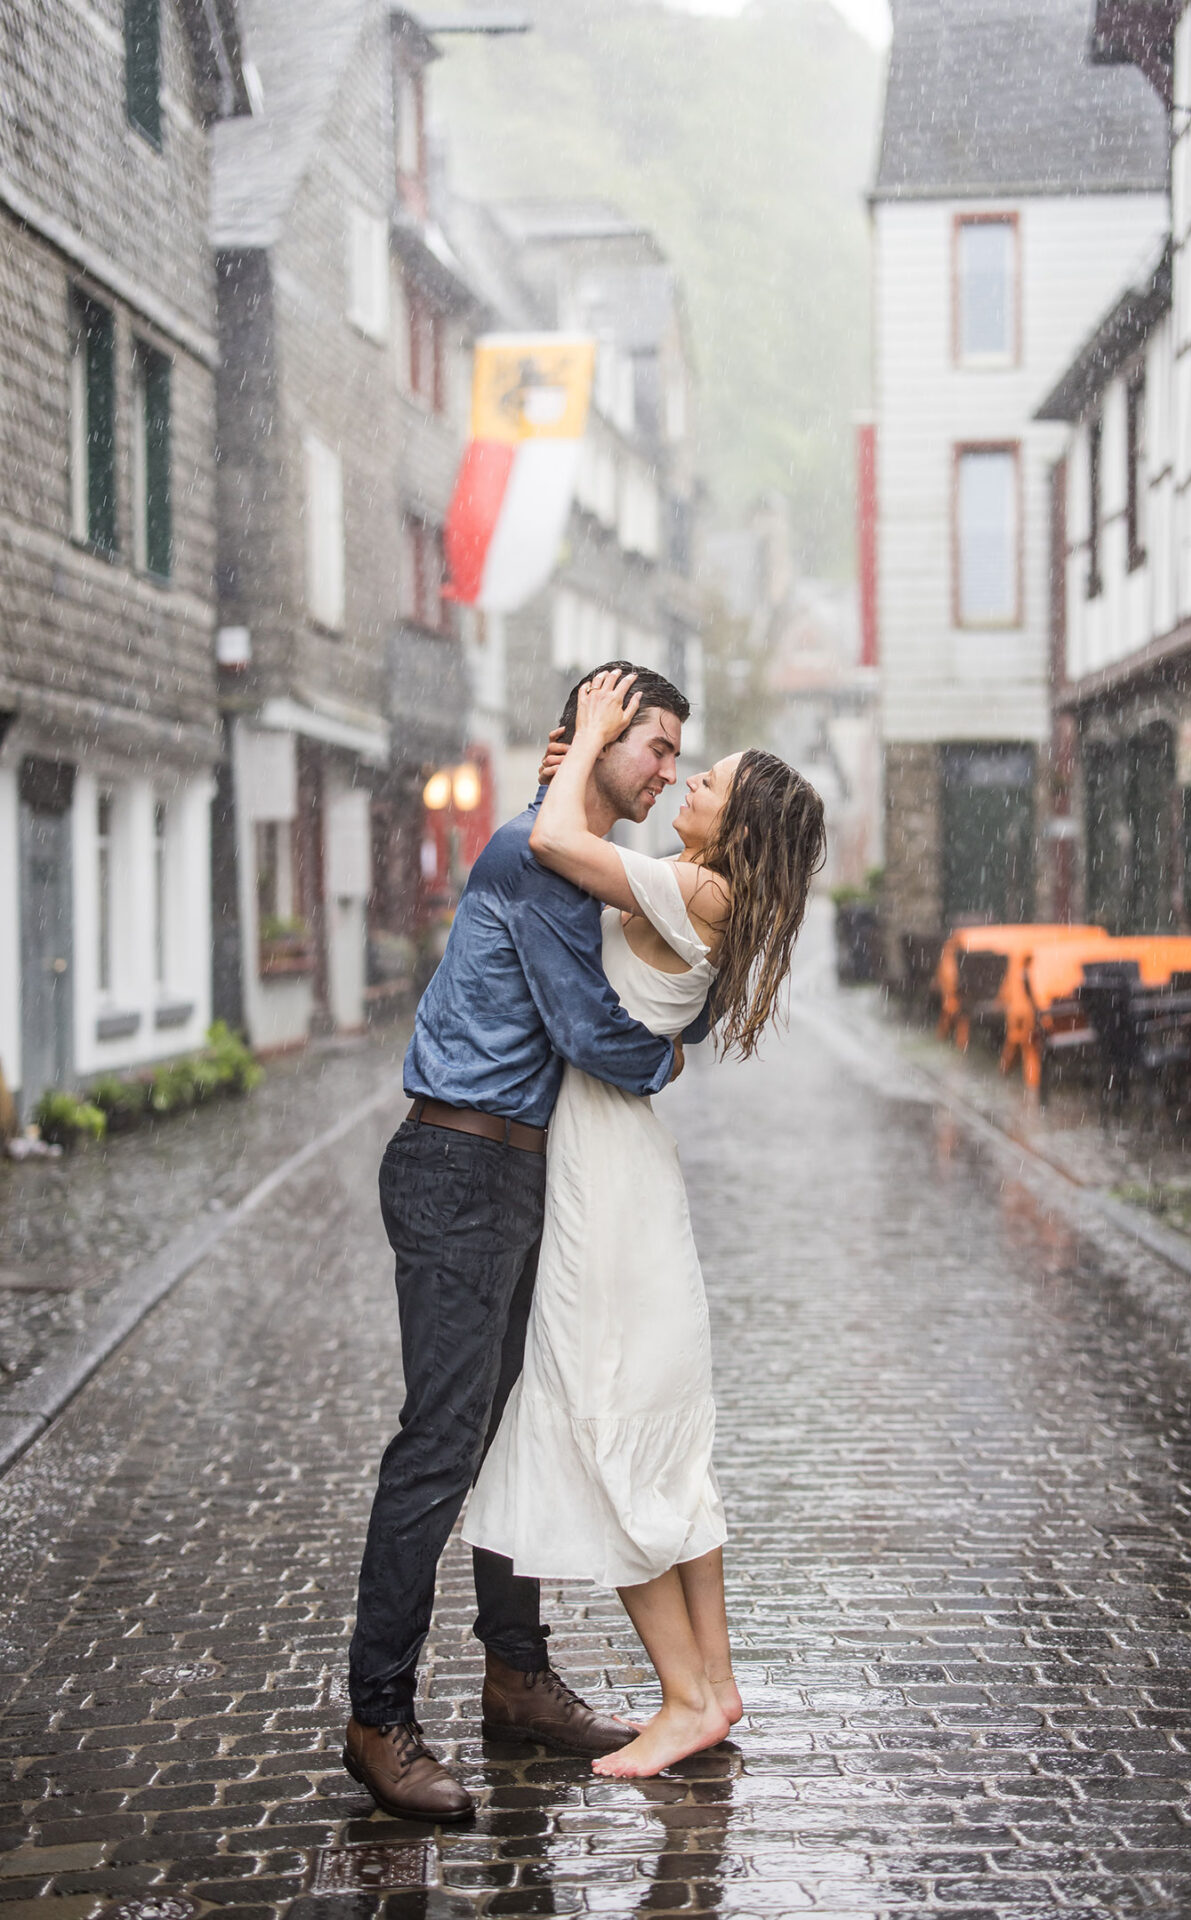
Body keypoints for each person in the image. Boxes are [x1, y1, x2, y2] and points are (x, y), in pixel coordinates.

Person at [344, 663, 707, 1822]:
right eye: (651, 742)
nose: (668, 769)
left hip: (513, 1167)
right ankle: (377, 1716)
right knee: (441, 1447)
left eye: (673, 749)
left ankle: (515, 1677)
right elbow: (596, 1033)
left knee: (509, 1438)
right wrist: (668, 1057)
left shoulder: (571, 857)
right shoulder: (534, 859)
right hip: (459, 1167)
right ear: (589, 735)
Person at [464, 668, 826, 1778]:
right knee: (665, 1440)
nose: (684, 781)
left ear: (737, 823)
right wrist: (570, 772)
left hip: (602, 1180)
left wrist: (582, 754)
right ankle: (713, 1687)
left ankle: (678, 1698)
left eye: (704, 779)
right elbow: (582, 843)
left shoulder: (696, 894)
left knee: (604, 1421)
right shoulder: (693, 885)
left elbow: (555, 853)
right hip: (629, 1167)